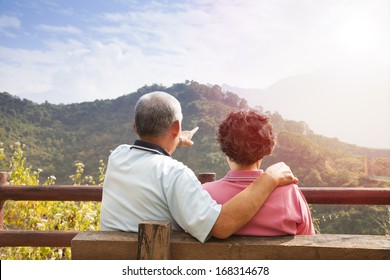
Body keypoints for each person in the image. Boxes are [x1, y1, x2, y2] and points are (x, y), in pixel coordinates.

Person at [100, 91, 298, 243]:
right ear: (176, 127)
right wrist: (270, 178)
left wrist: (175, 139)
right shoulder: (176, 174)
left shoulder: (117, 155)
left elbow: (151, 153)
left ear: (135, 127)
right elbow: (221, 226)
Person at [202, 109, 315, 236]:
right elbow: (308, 241)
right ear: (267, 148)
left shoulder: (203, 194)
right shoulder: (290, 194)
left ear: (224, 148)